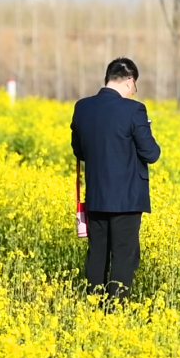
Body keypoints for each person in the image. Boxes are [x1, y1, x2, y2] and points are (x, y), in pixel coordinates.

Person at [71, 58, 161, 304]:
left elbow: (79, 151)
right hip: (127, 200)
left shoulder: (83, 108)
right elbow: (151, 154)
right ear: (130, 81)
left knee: (97, 253)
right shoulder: (133, 110)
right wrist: (144, 131)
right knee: (123, 255)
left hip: (97, 197)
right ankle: (115, 311)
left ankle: (93, 305)